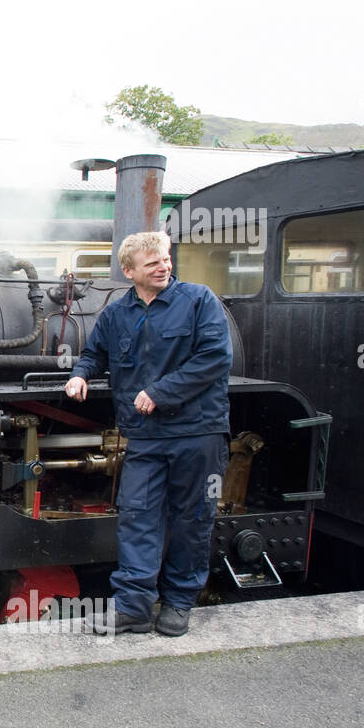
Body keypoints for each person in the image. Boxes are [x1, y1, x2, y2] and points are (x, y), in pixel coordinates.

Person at [64, 231, 232, 636]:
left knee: (192, 518)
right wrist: (80, 375)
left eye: (166, 259)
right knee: (137, 516)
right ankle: (134, 607)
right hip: (144, 435)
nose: (164, 266)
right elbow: (94, 353)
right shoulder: (116, 314)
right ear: (130, 271)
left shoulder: (199, 301)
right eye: (153, 262)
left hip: (197, 432)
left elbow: (214, 358)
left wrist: (159, 392)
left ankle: (178, 602)